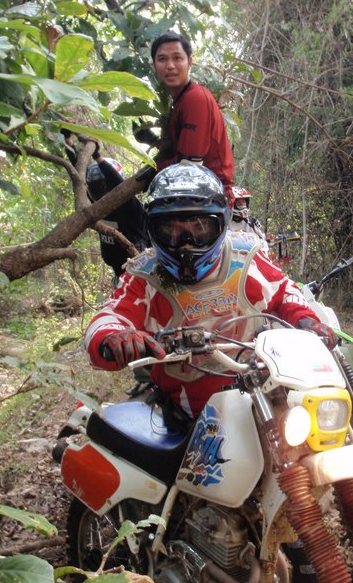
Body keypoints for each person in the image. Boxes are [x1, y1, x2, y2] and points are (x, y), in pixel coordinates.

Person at [84, 163, 336, 420]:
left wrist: (305, 320)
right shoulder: (144, 276)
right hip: (187, 416)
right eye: (172, 230)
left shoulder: (245, 258)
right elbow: (107, 318)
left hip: (264, 398)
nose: (186, 243)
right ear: (153, 228)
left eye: (199, 227)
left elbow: (284, 290)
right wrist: (112, 337)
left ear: (221, 224)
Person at [149, 32, 235, 206]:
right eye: (163, 59)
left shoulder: (195, 98)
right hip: (192, 197)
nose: (170, 65)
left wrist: (151, 171)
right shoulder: (180, 101)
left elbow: (188, 167)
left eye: (177, 58)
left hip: (208, 202)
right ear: (154, 66)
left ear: (190, 62)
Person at [62, 129, 149, 281]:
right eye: (95, 186)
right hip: (118, 271)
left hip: (140, 270)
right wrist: (67, 139)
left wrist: (98, 157)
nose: (99, 190)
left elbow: (118, 185)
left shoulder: (130, 206)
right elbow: (79, 168)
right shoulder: (98, 205)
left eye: (103, 185)